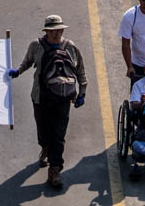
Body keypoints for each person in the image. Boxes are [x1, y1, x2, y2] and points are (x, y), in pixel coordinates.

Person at [9, 15, 88, 191]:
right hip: (41, 97)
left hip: (63, 98)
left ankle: (55, 169)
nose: (57, 33)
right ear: (46, 31)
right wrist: (18, 71)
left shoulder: (71, 47)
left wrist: (82, 92)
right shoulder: (36, 45)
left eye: (59, 30)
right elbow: (28, 62)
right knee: (43, 130)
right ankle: (44, 147)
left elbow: (80, 70)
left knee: (59, 135)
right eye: (53, 31)